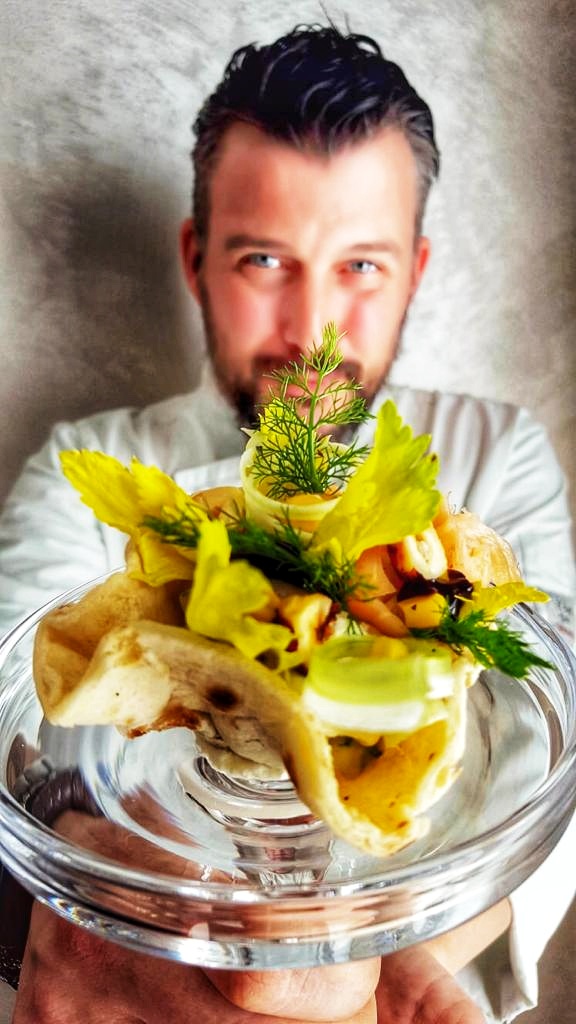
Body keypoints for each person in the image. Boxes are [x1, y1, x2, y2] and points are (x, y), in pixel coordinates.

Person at [0, 22, 574, 1024]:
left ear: (417, 270)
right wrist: (62, 914)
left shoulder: (495, 452)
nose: (314, 326)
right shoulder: (86, 473)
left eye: (362, 265)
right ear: (195, 258)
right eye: (266, 258)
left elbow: (552, 760)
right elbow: (10, 732)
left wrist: (375, 972)